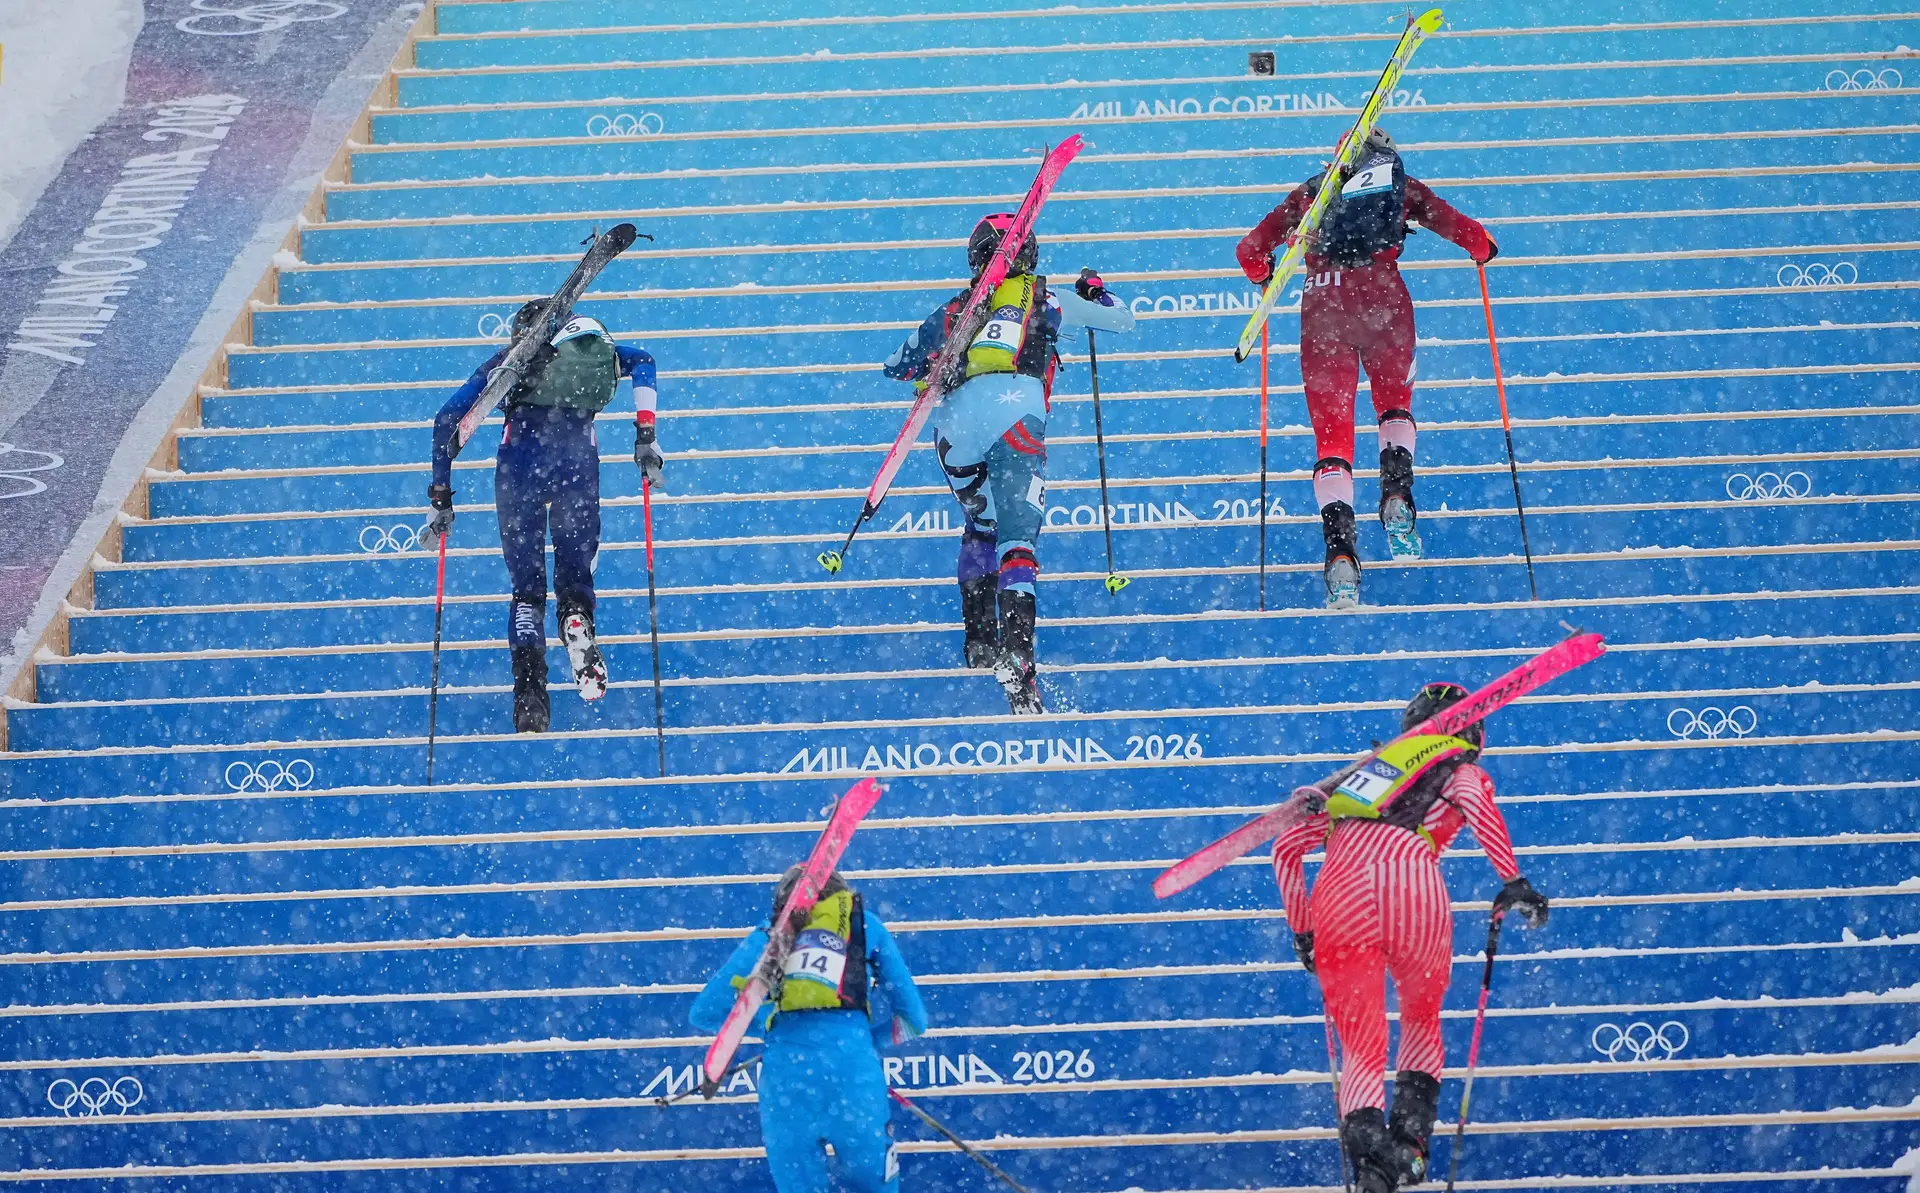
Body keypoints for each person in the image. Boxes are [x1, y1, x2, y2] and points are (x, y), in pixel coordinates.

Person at [1271, 682, 1550, 1192]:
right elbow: (1473, 800)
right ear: (1471, 734)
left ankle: (1372, 1161)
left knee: (1361, 1047)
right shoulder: (1456, 767)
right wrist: (1513, 882)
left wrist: (1304, 933)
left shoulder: (1359, 783)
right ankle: (1410, 1145)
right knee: (1421, 1021)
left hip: (1341, 896)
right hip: (1414, 886)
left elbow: (1287, 848)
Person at [1234, 127, 1497, 608]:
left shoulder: (1312, 192)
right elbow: (1462, 229)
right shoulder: (1402, 188)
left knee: (1333, 438)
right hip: (1386, 302)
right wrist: (1483, 247)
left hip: (1324, 309)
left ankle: (1341, 553)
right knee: (1393, 404)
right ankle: (1396, 491)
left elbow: (1249, 251)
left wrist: (1266, 274)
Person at [882, 216, 1134, 714]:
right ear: (1030, 255)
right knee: (1017, 538)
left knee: (982, 524)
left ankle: (978, 641)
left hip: (954, 429)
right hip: (1015, 410)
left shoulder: (958, 307)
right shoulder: (1050, 297)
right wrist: (1095, 291)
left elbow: (898, 363)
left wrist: (930, 367)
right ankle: (1017, 657)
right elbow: (1123, 317)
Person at [422, 302, 664, 733]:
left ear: (521, 334)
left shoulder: (507, 362)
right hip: (577, 466)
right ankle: (576, 617)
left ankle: (530, 694)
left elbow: (447, 420)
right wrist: (645, 435)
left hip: (519, 472)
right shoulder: (587, 360)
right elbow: (644, 361)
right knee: (574, 579)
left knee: (527, 591)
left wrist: (441, 494)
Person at [691, 868, 929, 1193]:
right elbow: (913, 1021)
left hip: (787, 1086)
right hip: (855, 1080)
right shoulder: (865, 926)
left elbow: (706, 1011)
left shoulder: (770, 935)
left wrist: (773, 1027)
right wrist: (866, 1043)